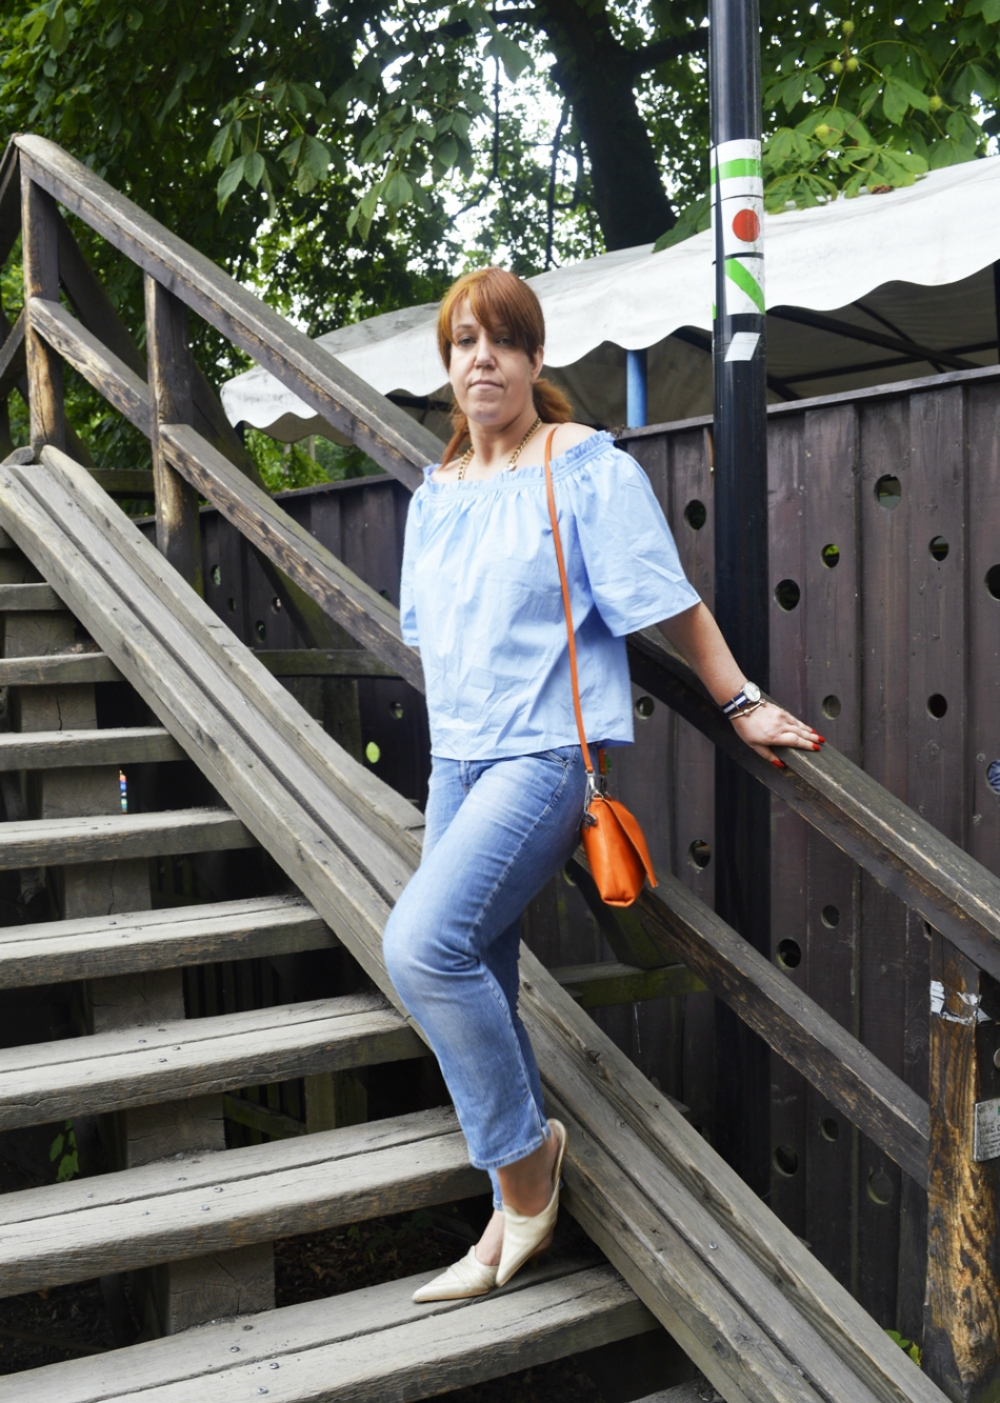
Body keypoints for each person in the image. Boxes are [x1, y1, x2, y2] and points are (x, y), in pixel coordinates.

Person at [382, 266, 822, 1304]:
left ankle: (528, 1168)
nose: (479, 358)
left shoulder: (581, 467)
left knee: (421, 944)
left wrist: (738, 698)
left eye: (500, 340)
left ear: (535, 359)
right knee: (474, 969)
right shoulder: (434, 496)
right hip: (457, 760)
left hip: (541, 759)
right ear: (446, 367)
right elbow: (431, 638)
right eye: (461, 343)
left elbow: (664, 601)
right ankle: (508, 1208)